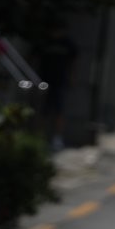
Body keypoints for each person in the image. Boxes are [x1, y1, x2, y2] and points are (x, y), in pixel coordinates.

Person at [35, 23, 78, 152]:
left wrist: (72, 78)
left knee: (59, 110)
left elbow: (74, 62)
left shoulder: (67, 44)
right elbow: (34, 58)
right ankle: (39, 137)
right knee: (43, 110)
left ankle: (57, 138)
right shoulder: (45, 42)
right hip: (43, 81)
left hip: (60, 81)